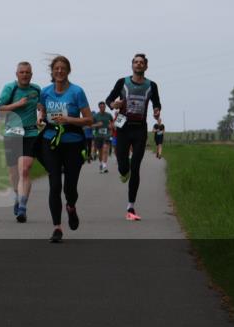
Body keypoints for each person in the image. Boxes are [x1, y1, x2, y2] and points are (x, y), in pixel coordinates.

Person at [37, 56, 93, 243]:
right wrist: (40, 118)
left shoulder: (77, 92)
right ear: (52, 72)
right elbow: (41, 112)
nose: (59, 71)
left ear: (68, 71)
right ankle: (57, 228)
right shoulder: (45, 92)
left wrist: (68, 119)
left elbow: (88, 119)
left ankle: (71, 206)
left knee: (70, 187)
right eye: (56, 69)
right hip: (50, 141)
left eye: (63, 68)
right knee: (54, 185)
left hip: (73, 142)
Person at [106, 53, 162, 222]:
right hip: (123, 127)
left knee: (136, 166)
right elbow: (109, 99)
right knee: (124, 165)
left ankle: (130, 206)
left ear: (146, 66)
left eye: (141, 63)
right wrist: (113, 104)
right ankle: (124, 170)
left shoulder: (151, 85)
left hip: (140, 129)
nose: (138, 65)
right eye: (136, 62)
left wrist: (157, 110)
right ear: (132, 65)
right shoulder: (122, 82)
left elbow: (157, 102)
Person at [0, 62, 42, 223]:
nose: (24, 75)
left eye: (27, 72)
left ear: (31, 74)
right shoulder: (10, 88)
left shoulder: (36, 89)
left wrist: (41, 114)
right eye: (22, 72)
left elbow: (42, 106)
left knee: (25, 169)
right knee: (13, 173)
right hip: (12, 133)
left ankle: (22, 206)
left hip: (30, 132)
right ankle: (17, 196)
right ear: (16, 74)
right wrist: (17, 104)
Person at [92, 101, 114, 173]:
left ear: (105, 107)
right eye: (101, 107)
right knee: (100, 151)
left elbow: (113, 122)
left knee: (105, 149)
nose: (102, 108)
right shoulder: (95, 116)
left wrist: (111, 126)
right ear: (99, 107)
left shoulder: (109, 115)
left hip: (107, 135)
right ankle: (101, 163)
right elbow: (90, 125)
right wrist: (97, 125)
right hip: (98, 135)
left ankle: (104, 165)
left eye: (104, 107)